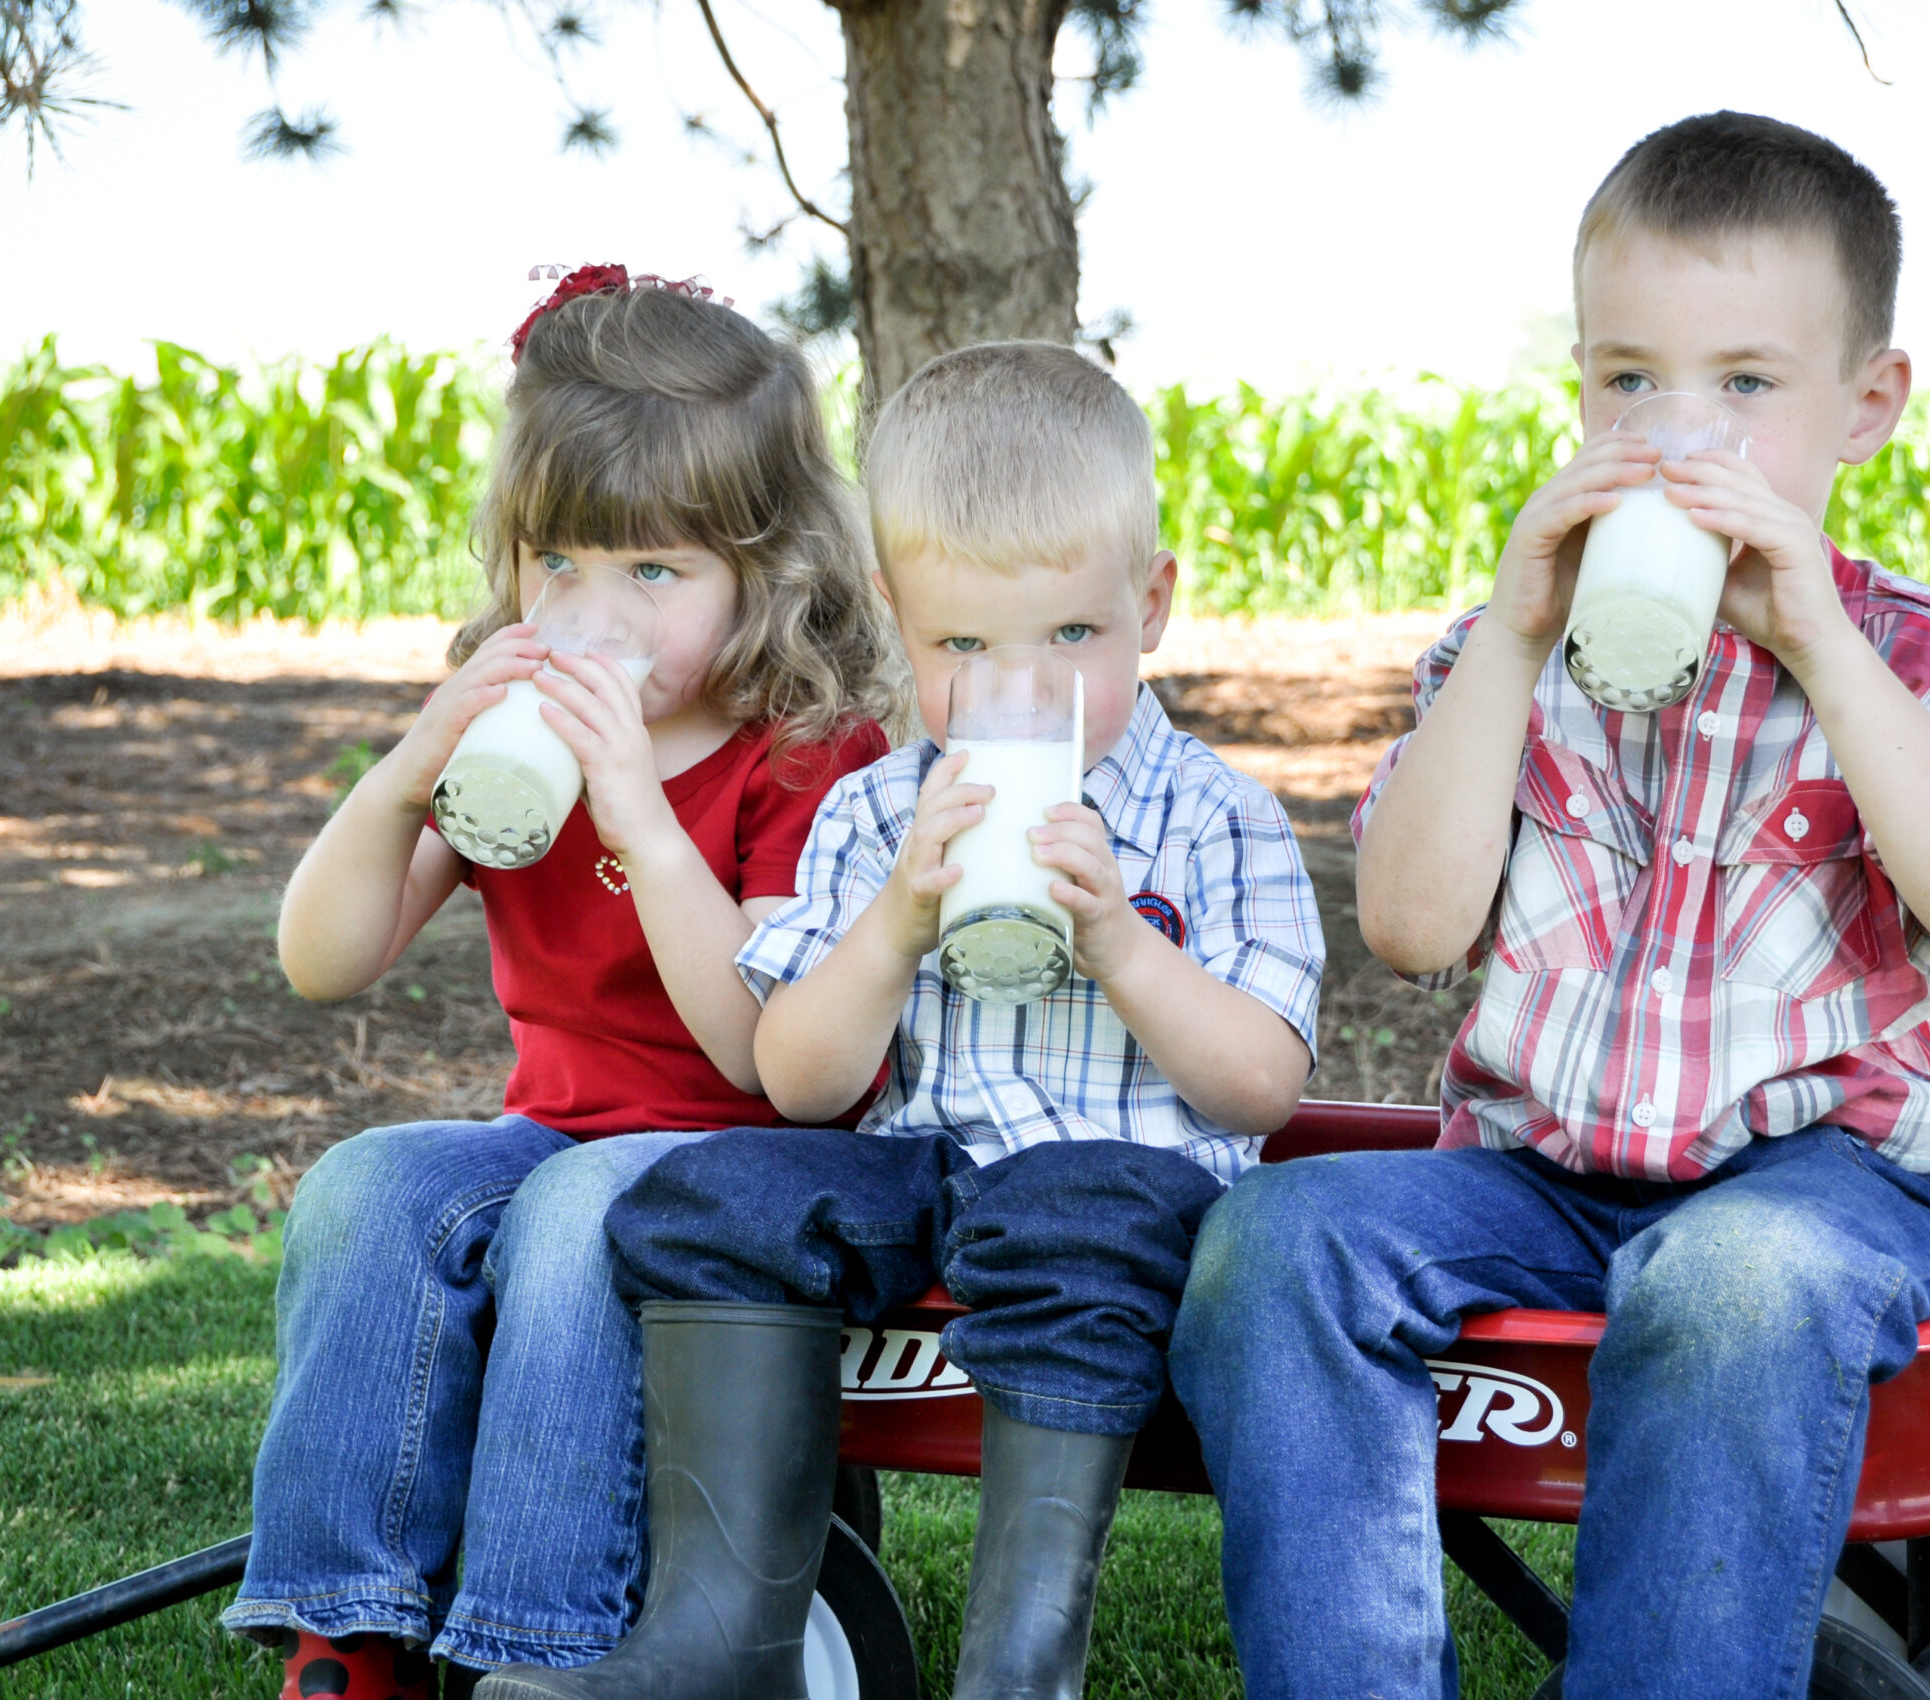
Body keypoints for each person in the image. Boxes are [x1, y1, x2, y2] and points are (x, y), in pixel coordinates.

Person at [1168, 111, 1930, 1700]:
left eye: (1746, 385)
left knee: (1729, 1281)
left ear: (1868, 407)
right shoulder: (1499, 658)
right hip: (1537, 1175)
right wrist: (1518, 640)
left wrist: (1821, 647)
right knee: (1277, 1238)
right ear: (1579, 389)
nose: (1681, 430)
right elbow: (1410, 925)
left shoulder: (1922, 664)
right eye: (1630, 381)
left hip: (1828, 1189)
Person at [478, 340, 1326, 1700]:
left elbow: (1262, 1088)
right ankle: (724, 1641)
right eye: (962, 647)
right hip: (921, 1172)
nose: (1020, 683)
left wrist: (1115, 936)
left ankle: (1016, 1669)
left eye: (1069, 640)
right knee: (717, 1196)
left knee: (1067, 1211)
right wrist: (894, 924)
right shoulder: (878, 812)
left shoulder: (1214, 817)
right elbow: (799, 1081)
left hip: (1126, 1193)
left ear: (1151, 604)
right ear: (898, 620)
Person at [220, 268, 898, 1700]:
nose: (598, 612)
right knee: (368, 1182)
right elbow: (322, 959)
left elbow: (765, 1058)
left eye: (655, 573)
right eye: (561, 566)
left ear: (762, 574)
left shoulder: (804, 751)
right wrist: (410, 771)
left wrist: (644, 817)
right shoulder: (510, 735)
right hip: (558, 1136)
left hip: (765, 1157)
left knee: (586, 1212)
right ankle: (348, 1628)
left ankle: (548, 1646)